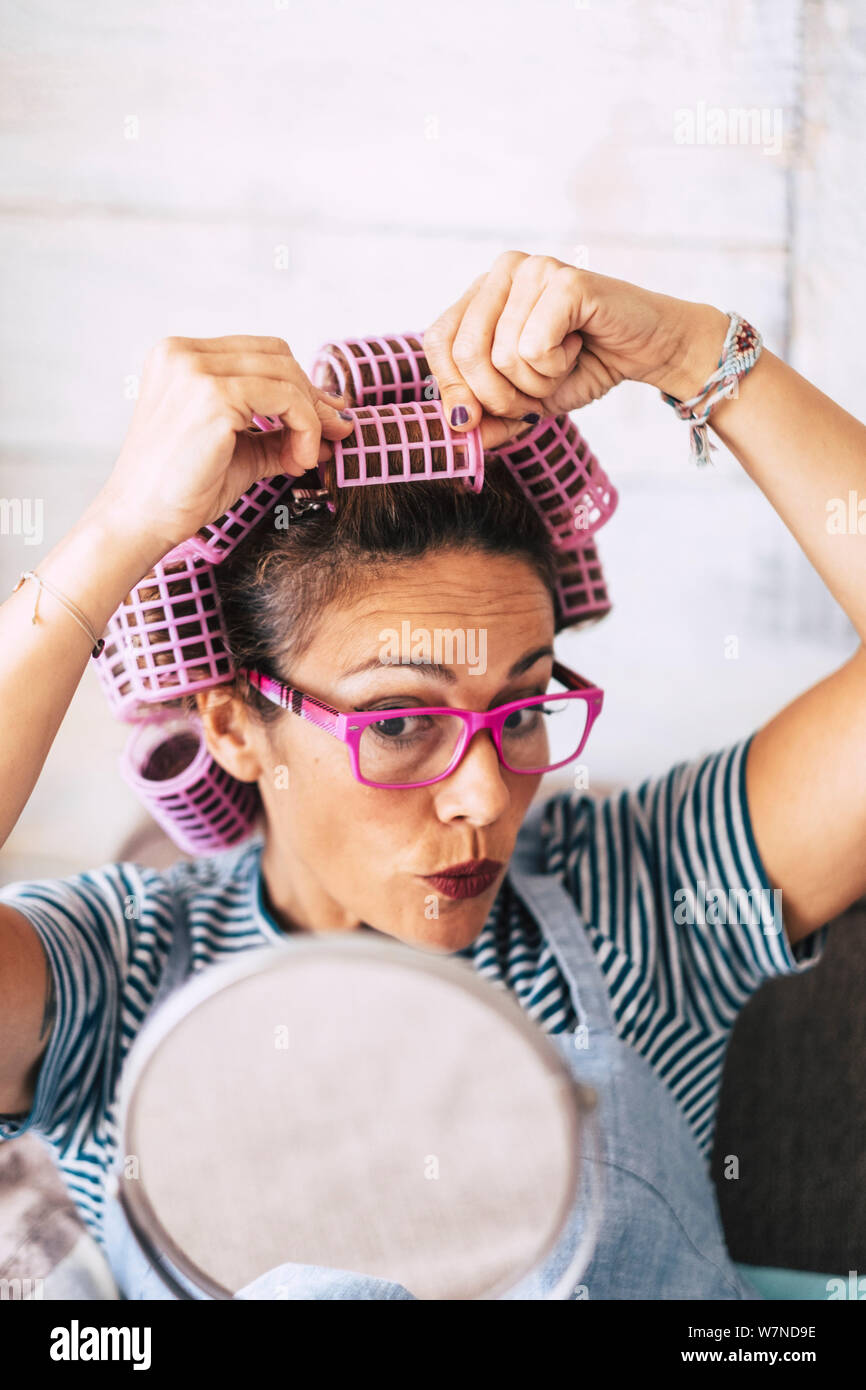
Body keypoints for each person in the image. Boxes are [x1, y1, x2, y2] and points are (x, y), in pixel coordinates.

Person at [1, 252, 864, 1300]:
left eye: (523, 707)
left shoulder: (638, 900)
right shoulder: (124, 972)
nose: (484, 796)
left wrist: (694, 352)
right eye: (401, 720)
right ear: (232, 726)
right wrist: (119, 533)